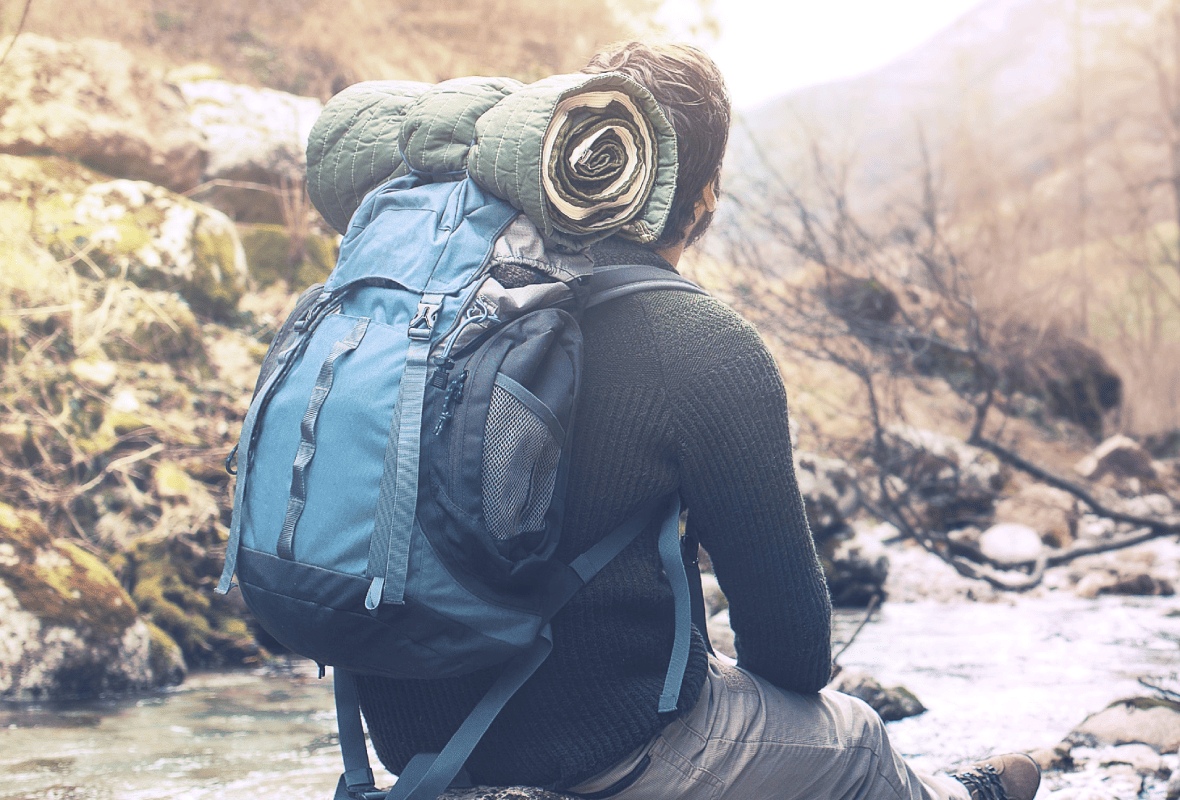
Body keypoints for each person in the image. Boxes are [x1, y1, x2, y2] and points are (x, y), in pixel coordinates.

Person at [353, 41, 1042, 800]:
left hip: (412, 744)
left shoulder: (439, 303)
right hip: (600, 750)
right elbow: (795, 656)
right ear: (705, 193)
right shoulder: (702, 343)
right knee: (859, 741)